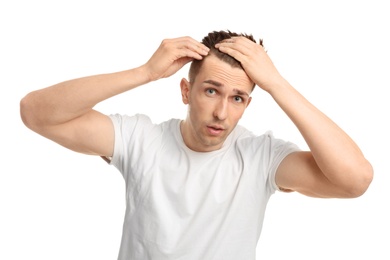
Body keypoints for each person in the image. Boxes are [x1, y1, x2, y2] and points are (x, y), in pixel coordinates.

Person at [20, 30, 373, 259]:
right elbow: (36, 113)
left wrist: (276, 84)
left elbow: (355, 179)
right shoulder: (141, 139)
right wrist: (145, 72)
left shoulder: (261, 158)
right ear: (186, 91)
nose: (221, 111)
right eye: (211, 91)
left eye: (237, 98)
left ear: (248, 104)